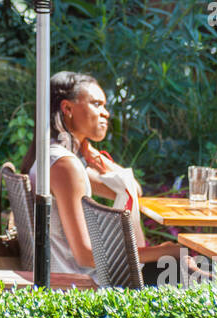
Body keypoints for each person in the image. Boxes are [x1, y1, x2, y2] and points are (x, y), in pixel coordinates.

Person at [29, 71, 192, 283]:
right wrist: (166, 251)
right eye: (96, 104)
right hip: (84, 284)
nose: (105, 113)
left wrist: (94, 155)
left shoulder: (55, 158)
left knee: (187, 269)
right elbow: (86, 255)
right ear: (67, 108)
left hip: (76, 275)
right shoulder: (65, 166)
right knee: (186, 269)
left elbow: (130, 188)